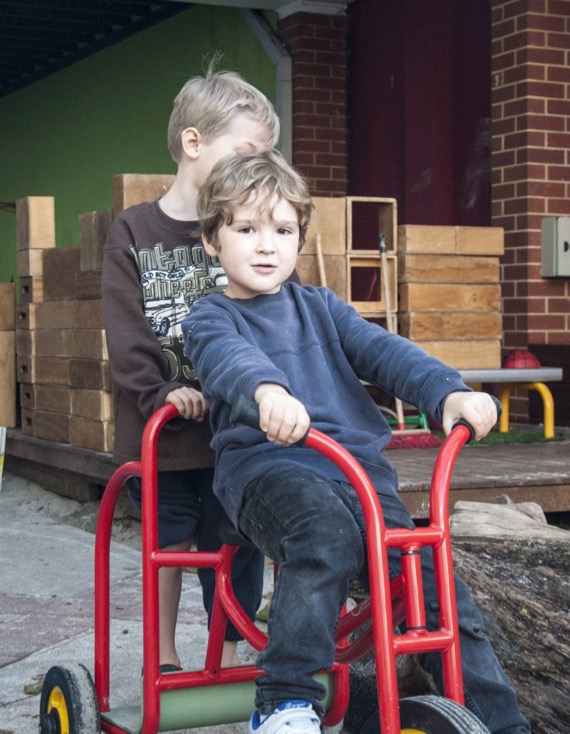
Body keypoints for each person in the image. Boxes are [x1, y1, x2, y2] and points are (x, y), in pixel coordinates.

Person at [182, 150, 531, 734]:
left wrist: (447, 393)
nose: (266, 245)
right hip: (270, 473)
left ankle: (500, 723)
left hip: (358, 476)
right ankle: (285, 702)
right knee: (323, 535)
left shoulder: (322, 308)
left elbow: (383, 351)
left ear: (299, 238)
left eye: (282, 230)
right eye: (246, 229)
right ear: (213, 240)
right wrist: (267, 392)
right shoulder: (211, 316)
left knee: (434, 580)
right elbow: (226, 360)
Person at [102, 64, 282, 671]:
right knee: (170, 540)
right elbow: (126, 333)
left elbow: (281, 315)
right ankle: (164, 654)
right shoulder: (135, 230)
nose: (258, 167)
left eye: (267, 156)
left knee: (240, 540)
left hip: (238, 431)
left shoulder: (243, 231)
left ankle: (228, 652)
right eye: (247, 152)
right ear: (194, 143)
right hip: (167, 432)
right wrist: (162, 392)